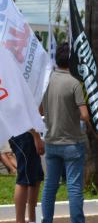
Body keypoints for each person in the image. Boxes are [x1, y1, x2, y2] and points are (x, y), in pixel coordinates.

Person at [40, 42, 89, 223]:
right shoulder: (74, 83)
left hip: (51, 143)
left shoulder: (47, 81)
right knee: (74, 188)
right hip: (72, 144)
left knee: (50, 186)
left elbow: (40, 111)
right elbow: (84, 116)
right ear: (73, 61)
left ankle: (47, 221)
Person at [9, 129, 45, 223]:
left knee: (37, 177)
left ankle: (34, 220)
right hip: (26, 134)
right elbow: (27, 116)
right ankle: (20, 221)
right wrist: (37, 137)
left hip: (25, 134)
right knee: (24, 179)